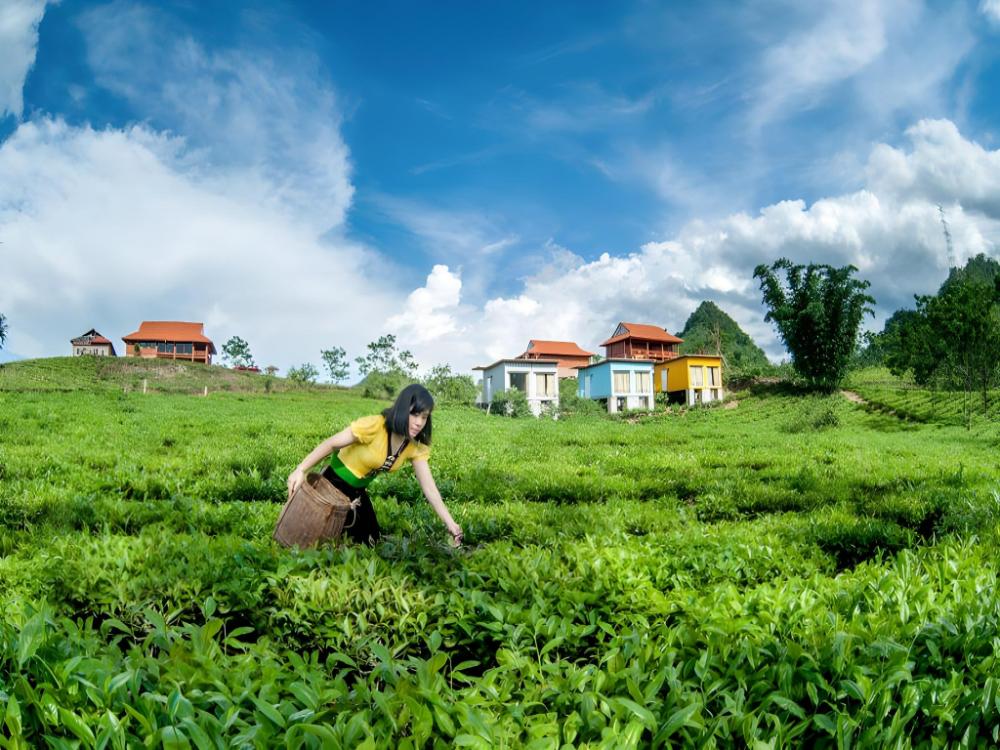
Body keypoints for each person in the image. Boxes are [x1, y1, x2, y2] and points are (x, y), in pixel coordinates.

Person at [286, 383, 463, 547]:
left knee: (371, 541)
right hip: (332, 485)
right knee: (317, 540)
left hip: (357, 493)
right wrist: (300, 469)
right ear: (402, 410)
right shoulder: (375, 425)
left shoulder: (413, 446)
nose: (419, 422)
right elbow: (331, 443)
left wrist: (451, 523)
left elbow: (430, 488)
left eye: (424, 417)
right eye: (414, 414)